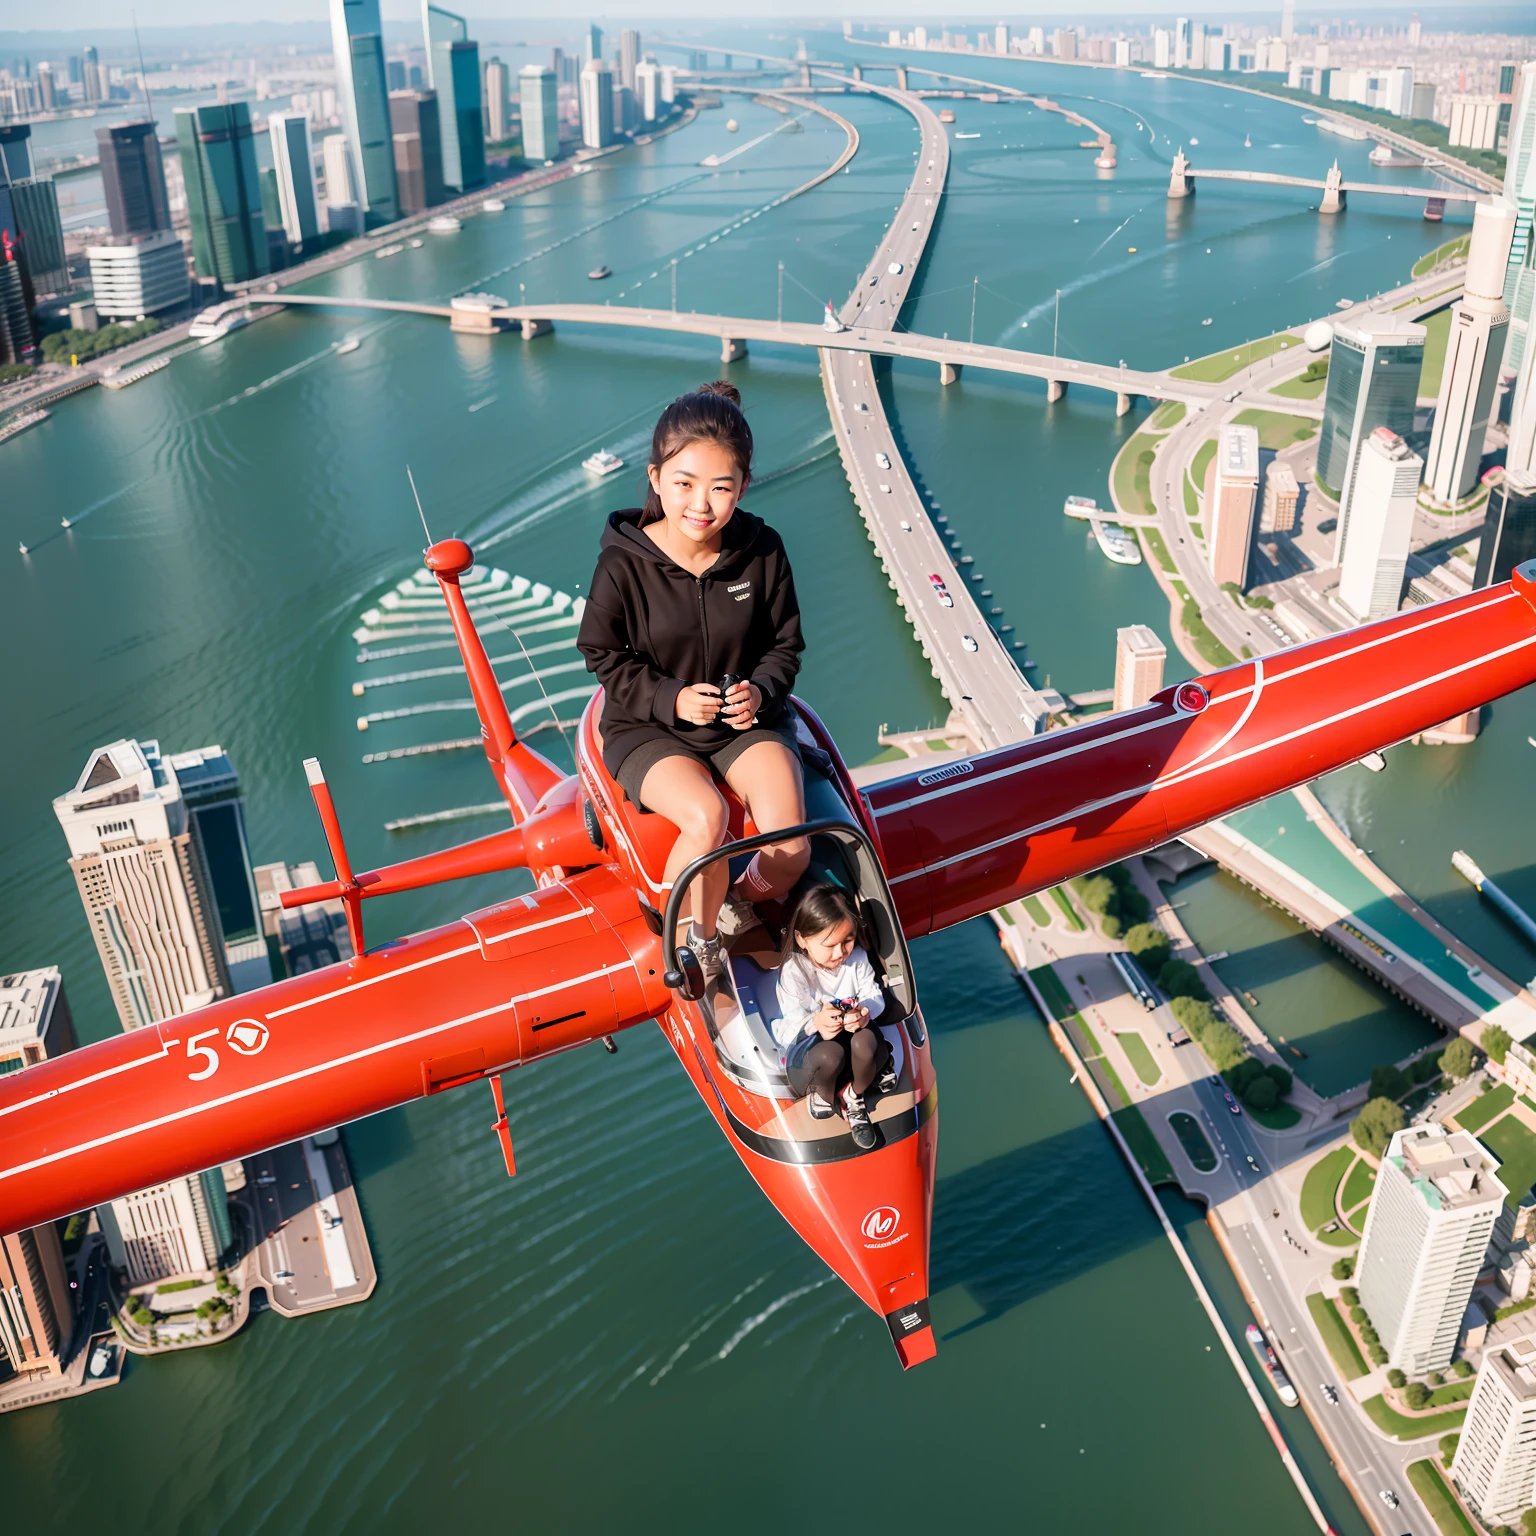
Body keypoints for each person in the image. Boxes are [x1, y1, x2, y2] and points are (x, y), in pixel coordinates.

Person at [577, 381, 810, 981]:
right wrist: (671, 698)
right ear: (655, 479)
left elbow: (785, 647)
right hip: (648, 725)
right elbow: (601, 652)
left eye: (720, 487)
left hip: (743, 722)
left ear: (744, 488)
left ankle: (738, 905)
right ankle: (692, 935)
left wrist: (760, 690)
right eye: (683, 483)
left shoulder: (765, 553)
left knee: (792, 849)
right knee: (707, 818)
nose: (700, 503)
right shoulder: (621, 564)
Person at [774, 884, 895, 1150]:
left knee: (866, 1040)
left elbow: (873, 996)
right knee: (831, 1055)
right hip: (815, 1051)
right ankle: (823, 1092)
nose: (840, 952)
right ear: (803, 939)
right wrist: (815, 1023)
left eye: (847, 941)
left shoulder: (858, 959)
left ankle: (853, 1096)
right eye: (829, 945)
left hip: (852, 1044)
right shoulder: (794, 972)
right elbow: (789, 1028)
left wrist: (864, 1012)